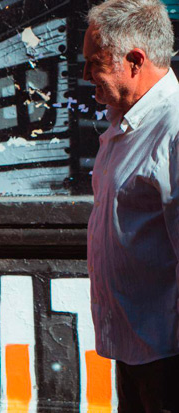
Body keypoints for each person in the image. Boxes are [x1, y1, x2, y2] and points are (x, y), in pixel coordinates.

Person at [83, 0, 179, 410]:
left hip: (168, 354)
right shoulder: (124, 123)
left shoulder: (173, 127)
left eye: (94, 62)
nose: (86, 76)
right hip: (135, 346)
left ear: (135, 60)